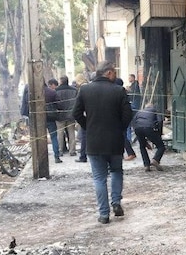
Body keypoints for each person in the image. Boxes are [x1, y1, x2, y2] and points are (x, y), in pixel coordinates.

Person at [72, 61, 133, 223]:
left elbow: (76, 113)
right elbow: (128, 114)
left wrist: (88, 127)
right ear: (108, 73)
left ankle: (104, 215)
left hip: (94, 142)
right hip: (114, 141)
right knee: (116, 171)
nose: (115, 75)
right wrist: (120, 128)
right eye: (114, 72)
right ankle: (116, 202)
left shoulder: (85, 90)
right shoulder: (119, 91)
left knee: (99, 178)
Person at [132, 104, 166, 172]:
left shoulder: (139, 112)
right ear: (152, 107)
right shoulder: (155, 111)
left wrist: (144, 141)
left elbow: (133, 122)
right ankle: (155, 160)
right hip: (149, 128)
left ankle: (146, 165)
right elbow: (160, 121)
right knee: (161, 146)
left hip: (138, 128)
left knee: (142, 147)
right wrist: (159, 133)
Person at [54, 76, 78, 156]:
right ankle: (72, 150)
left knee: (60, 133)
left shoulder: (56, 91)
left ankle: (60, 150)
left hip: (60, 115)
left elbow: (55, 103)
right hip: (71, 115)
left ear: (61, 82)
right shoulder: (74, 90)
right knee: (72, 133)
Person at [44, 79, 62, 163]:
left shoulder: (33, 93)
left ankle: (42, 157)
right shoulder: (52, 92)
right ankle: (56, 156)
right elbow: (59, 104)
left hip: (38, 119)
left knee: (40, 138)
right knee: (54, 137)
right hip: (51, 117)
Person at [73, 74, 88, 163]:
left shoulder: (82, 89)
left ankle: (83, 156)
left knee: (84, 137)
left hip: (85, 116)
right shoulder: (88, 86)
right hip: (90, 115)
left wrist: (82, 122)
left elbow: (77, 110)